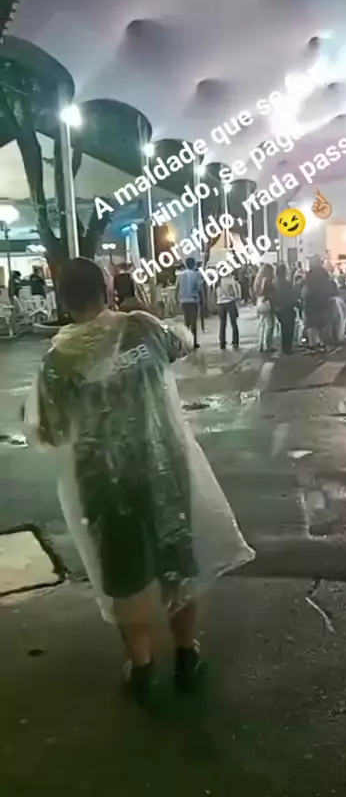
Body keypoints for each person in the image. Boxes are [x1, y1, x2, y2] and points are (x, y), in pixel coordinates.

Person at [23, 258, 254, 713]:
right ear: (107, 289)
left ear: (63, 300)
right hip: (163, 466)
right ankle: (186, 655)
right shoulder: (141, 328)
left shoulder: (58, 361)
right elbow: (181, 341)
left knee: (123, 576)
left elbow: (47, 431)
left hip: (105, 485)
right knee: (177, 563)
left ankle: (143, 666)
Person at [176, 257, 200, 349]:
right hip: (193, 301)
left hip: (183, 301)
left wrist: (177, 299)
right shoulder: (195, 275)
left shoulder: (180, 275)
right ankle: (193, 342)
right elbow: (198, 288)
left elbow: (176, 288)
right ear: (193, 264)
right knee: (193, 323)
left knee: (186, 322)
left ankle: (185, 342)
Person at [273, 263, 296, 354]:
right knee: (289, 329)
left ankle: (284, 348)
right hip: (287, 308)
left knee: (283, 329)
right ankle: (288, 348)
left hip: (278, 309)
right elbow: (291, 297)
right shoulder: (287, 284)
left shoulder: (274, 283)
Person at [216, 271, 240, 350]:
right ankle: (235, 342)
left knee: (222, 324)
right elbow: (236, 293)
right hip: (230, 302)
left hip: (220, 303)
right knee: (234, 323)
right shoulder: (231, 280)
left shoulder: (218, 281)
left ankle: (222, 343)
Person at [254, 263, 275, 352]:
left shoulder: (258, 280)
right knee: (269, 325)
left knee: (262, 324)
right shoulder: (267, 280)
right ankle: (268, 345)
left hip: (259, 301)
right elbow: (266, 291)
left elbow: (256, 291)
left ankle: (260, 345)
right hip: (266, 302)